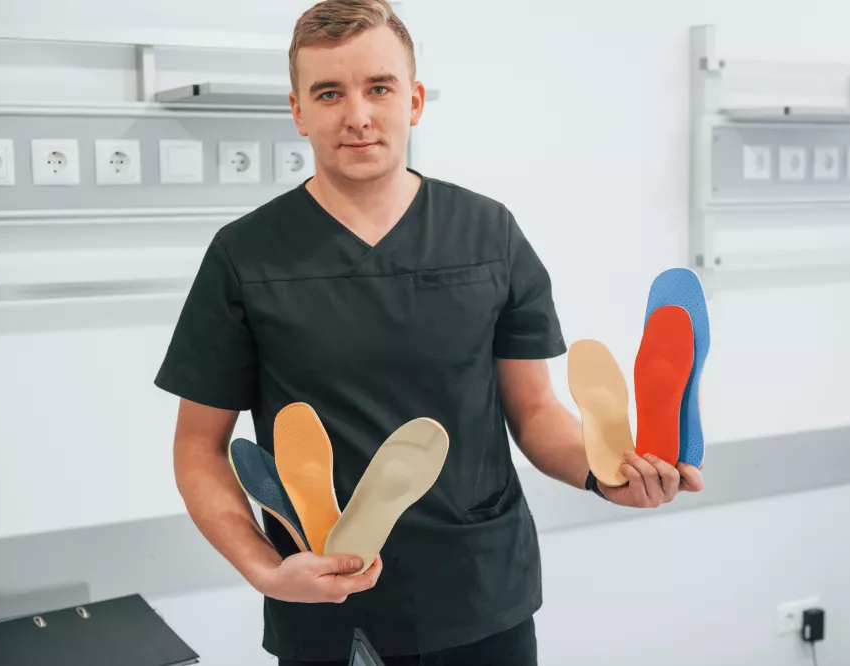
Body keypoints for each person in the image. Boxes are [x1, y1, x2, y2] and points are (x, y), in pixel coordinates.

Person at [153, 1, 705, 664]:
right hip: (327, 606)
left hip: (481, 595)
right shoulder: (245, 257)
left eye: (379, 88)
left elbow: (534, 412)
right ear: (298, 111)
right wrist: (266, 571)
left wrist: (604, 475)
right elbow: (199, 449)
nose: (358, 115)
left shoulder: (489, 234)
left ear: (413, 101)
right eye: (329, 93)